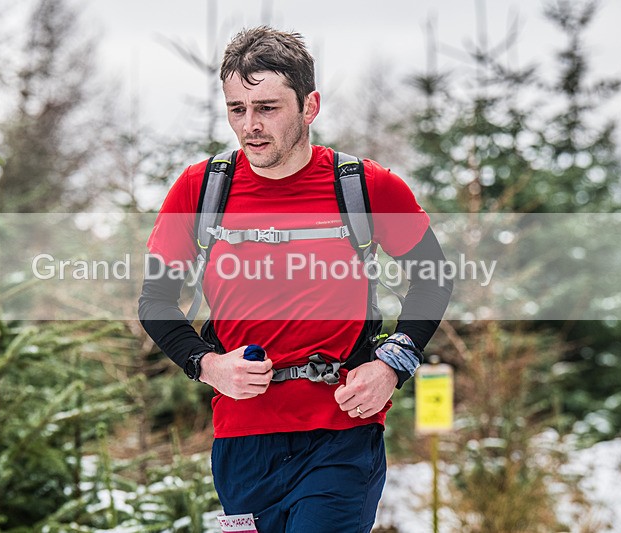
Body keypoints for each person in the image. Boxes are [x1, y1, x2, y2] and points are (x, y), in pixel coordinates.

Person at [139, 26, 452, 533]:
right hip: (242, 441)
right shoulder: (202, 189)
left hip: (341, 431)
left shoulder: (365, 186)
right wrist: (207, 364)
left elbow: (433, 278)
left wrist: (392, 363)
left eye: (267, 107)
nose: (250, 126)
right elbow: (155, 300)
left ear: (310, 106)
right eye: (237, 109)